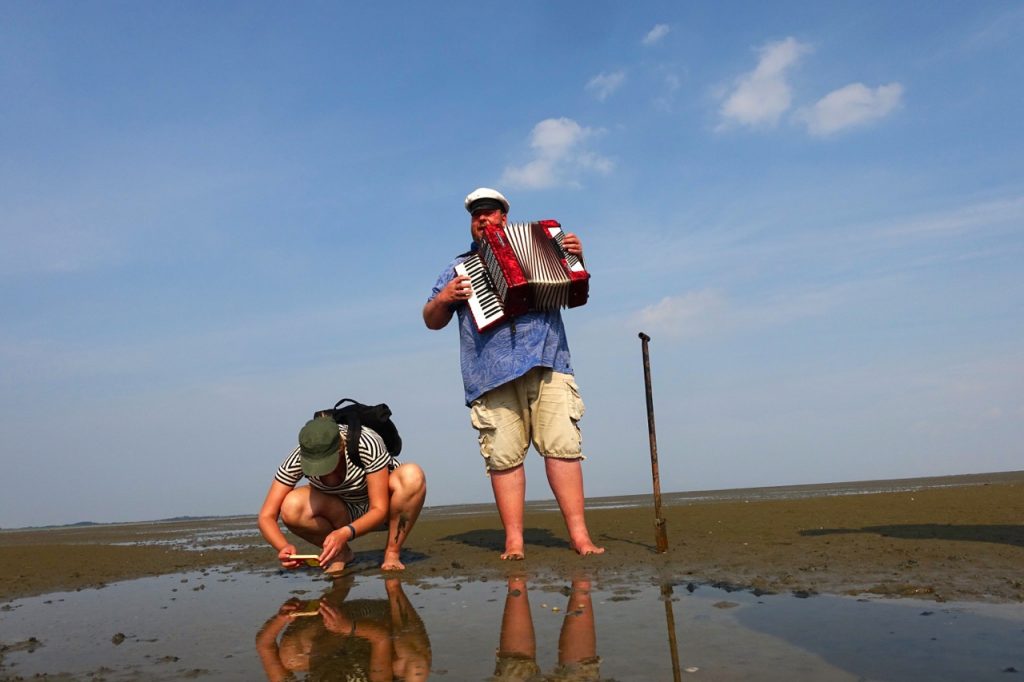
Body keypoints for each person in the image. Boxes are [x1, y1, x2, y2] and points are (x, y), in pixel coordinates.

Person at [423, 187, 604, 560]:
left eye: (489, 213)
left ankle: (580, 537)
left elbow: (577, 292)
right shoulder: (457, 268)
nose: (482, 219)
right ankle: (514, 542)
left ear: (504, 217)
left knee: (563, 448)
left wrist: (576, 259)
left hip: (548, 361)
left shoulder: (545, 244)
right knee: (504, 457)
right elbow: (431, 319)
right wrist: (444, 299)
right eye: (476, 215)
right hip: (489, 374)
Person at [258, 415, 426, 573]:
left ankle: (392, 552)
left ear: (341, 447)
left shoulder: (366, 442)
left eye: (326, 464)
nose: (321, 471)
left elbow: (379, 509)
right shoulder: (299, 456)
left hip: (385, 510)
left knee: (412, 475)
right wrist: (283, 547)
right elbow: (266, 516)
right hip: (342, 512)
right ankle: (341, 554)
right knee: (291, 506)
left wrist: (346, 533)